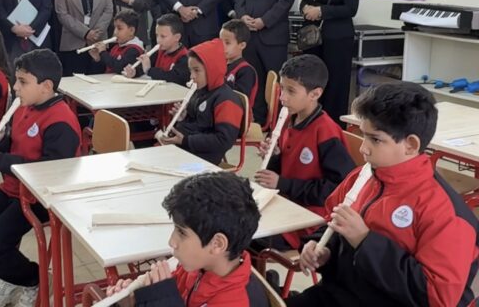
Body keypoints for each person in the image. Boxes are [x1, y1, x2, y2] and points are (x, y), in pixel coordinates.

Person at [291, 82, 479, 307]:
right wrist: (322, 249)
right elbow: (331, 223)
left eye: (375, 139)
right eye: (364, 136)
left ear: (410, 145)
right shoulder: (362, 176)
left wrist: (365, 241)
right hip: (339, 293)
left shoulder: (446, 213)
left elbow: (436, 297)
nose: (363, 148)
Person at [0, 49, 81, 307]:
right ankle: (10, 271)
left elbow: (51, 171)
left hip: (41, 198)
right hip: (15, 187)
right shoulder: (24, 106)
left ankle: (33, 279)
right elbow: (18, 146)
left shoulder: (61, 120)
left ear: (46, 86)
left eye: (22, 82)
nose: (15, 87)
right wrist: (1, 140)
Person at [106, 172, 268, 307]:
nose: (172, 241)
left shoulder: (236, 301)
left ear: (217, 244)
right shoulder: (196, 266)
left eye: (181, 233)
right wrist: (131, 302)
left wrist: (160, 299)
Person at [254, 54, 354, 250]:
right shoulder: (288, 118)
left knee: (245, 236)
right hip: (283, 204)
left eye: (291, 91)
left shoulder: (326, 132)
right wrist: (274, 157)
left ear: (315, 94)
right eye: (282, 88)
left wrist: (283, 183)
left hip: (309, 221)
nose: (282, 97)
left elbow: (337, 189)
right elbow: (284, 170)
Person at [233, 0, 299, 125]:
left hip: (273, 37)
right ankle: (257, 123)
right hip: (250, 36)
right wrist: (242, 15)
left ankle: (277, 127)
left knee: (276, 85)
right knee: (254, 82)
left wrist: (265, 20)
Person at [299, 0, 360, 125]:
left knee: (335, 84)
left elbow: (351, 8)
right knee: (313, 81)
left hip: (337, 38)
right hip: (313, 38)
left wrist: (321, 11)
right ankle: (312, 122)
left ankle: (332, 126)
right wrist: (305, 9)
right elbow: (304, 1)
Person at [157, 39, 244, 165]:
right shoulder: (200, 91)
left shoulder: (227, 100)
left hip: (202, 161)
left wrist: (185, 140)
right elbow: (198, 122)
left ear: (212, 69)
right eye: (190, 70)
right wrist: (184, 118)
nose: (192, 76)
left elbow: (223, 140)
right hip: (186, 150)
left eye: (197, 70)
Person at [123, 13, 189, 86]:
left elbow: (173, 78)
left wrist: (149, 70)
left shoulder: (184, 57)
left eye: (163, 36)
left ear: (177, 37)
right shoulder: (158, 51)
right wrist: (135, 72)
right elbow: (145, 68)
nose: (158, 40)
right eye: (157, 35)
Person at [220, 19, 258, 110]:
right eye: (220, 41)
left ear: (242, 45)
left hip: (236, 115)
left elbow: (240, 100)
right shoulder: (221, 63)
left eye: (227, 43)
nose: (222, 46)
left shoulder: (246, 71)